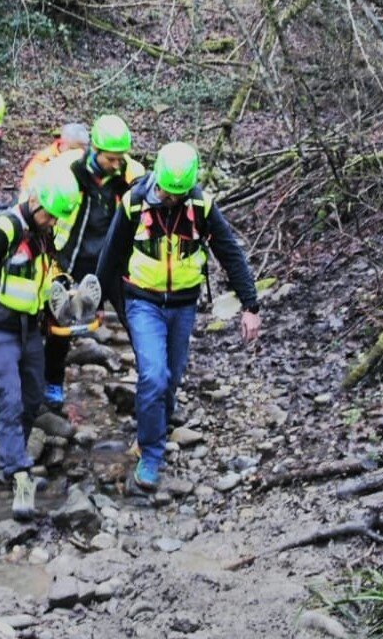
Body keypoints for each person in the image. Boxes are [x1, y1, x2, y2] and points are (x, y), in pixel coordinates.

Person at [96, 141, 261, 497]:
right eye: (165, 192)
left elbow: (229, 252)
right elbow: (109, 257)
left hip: (184, 305)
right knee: (153, 376)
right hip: (142, 301)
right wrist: (101, 303)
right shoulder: (135, 202)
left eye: (176, 194)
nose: (168, 199)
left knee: (169, 379)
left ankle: (153, 426)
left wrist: (251, 305)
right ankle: (151, 453)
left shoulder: (200, 205)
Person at [0, 164, 82, 520]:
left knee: (30, 400)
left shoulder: (43, 233)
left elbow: (47, 274)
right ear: (36, 202)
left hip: (30, 330)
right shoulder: (5, 229)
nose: (54, 223)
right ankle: (17, 470)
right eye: (51, 217)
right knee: (9, 398)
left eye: (58, 219)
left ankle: (9, 461)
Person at [42, 114, 145, 409]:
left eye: (119, 158)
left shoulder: (126, 171)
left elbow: (145, 189)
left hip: (111, 261)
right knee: (59, 326)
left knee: (134, 316)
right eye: (111, 159)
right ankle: (52, 382)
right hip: (71, 259)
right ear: (95, 151)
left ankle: (150, 380)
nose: (116, 164)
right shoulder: (70, 171)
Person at [19, 122, 90, 196]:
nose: (79, 153)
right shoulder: (44, 159)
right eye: (74, 149)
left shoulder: (87, 157)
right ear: (63, 143)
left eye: (83, 149)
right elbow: (28, 188)